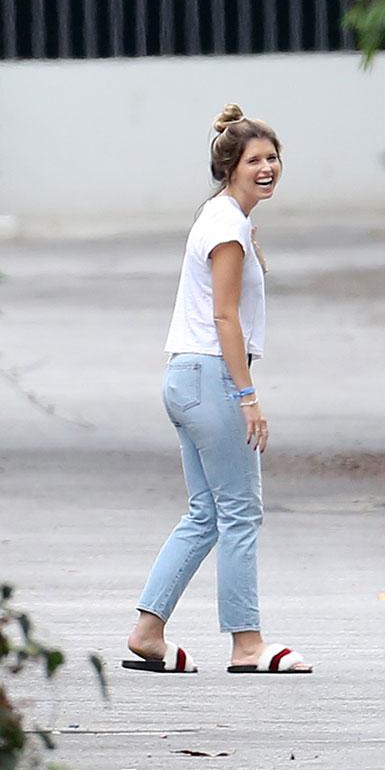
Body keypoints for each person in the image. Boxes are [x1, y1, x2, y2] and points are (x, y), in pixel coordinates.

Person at [123, 103, 311, 675]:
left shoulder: (224, 217)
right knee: (239, 512)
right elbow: (225, 318)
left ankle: (148, 632)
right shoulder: (226, 227)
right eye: (254, 159)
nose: (267, 168)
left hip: (186, 375)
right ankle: (247, 644)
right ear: (229, 166)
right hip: (211, 377)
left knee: (206, 512)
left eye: (273, 158)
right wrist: (247, 396)